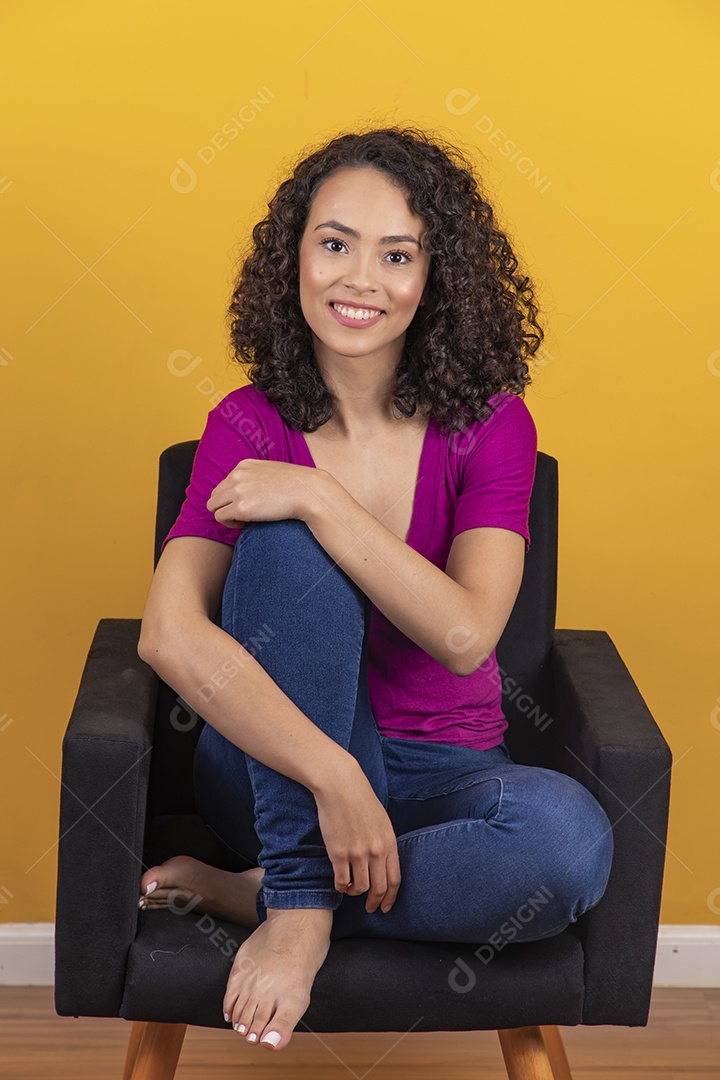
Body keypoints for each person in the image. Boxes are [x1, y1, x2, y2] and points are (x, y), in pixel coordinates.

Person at [136, 126, 613, 1054]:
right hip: (278, 774)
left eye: (398, 255)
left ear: (436, 280)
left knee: (571, 845)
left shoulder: (490, 426)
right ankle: (305, 901)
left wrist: (320, 496)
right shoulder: (246, 423)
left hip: (447, 778)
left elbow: (468, 635)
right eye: (335, 243)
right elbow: (167, 635)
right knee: (281, 548)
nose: (361, 279)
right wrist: (332, 772)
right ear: (295, 257)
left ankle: (265, 895)